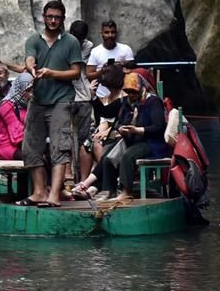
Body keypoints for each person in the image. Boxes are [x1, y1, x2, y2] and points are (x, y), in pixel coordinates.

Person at [17, 0, 83, 207]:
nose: (53, 21)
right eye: (49, 17)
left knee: (60, 146)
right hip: (38, 100)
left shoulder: (71, 42)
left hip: (61, 100)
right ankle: (38, 192)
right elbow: (29, 58)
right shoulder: (34, 40)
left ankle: (54, 194)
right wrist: (31, 68)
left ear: (63, 19)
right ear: (43, 18)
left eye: (57, 17)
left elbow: (76, 73)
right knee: (30, 146)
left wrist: (52, 73)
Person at [72, 72, 168, 201]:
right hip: (131, 140)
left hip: (151, 143)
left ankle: (126, 191)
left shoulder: (153, 102)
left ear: (142, 89)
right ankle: (108, 190)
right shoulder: (126, 102)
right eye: (128, 92)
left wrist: (137, 130)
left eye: (134, 92)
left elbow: (158, 127)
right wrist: (94, 97)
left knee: (128, 156)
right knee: (107, 157)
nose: (131, 95)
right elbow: (106, 112)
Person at [77, 63, 125, 182]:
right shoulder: (107, 96)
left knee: (97, 144)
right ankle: (84, 181)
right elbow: (102, 114)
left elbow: (113, 116)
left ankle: (108, 178)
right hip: (102, 130)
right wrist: (93, 96)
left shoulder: (124, 98)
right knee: (86, 146)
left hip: (118, 133)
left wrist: (107, 131)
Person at [68, 20, 93, 182]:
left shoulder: (87, 46)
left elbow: (74, 65)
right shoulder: (65, 42)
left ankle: (83, 181)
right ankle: (68, 178)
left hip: (83, 97)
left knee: (84, 139)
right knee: (66, 138)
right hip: (67, 97)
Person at [0, 72, 33, 160]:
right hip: (9, 147)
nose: (30, 93)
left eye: (32, 89)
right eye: (27, 90)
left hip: (27, 144)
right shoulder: (6, 105)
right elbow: (17, 136)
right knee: (36, 158)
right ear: (19, 88)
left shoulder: (28, 104)